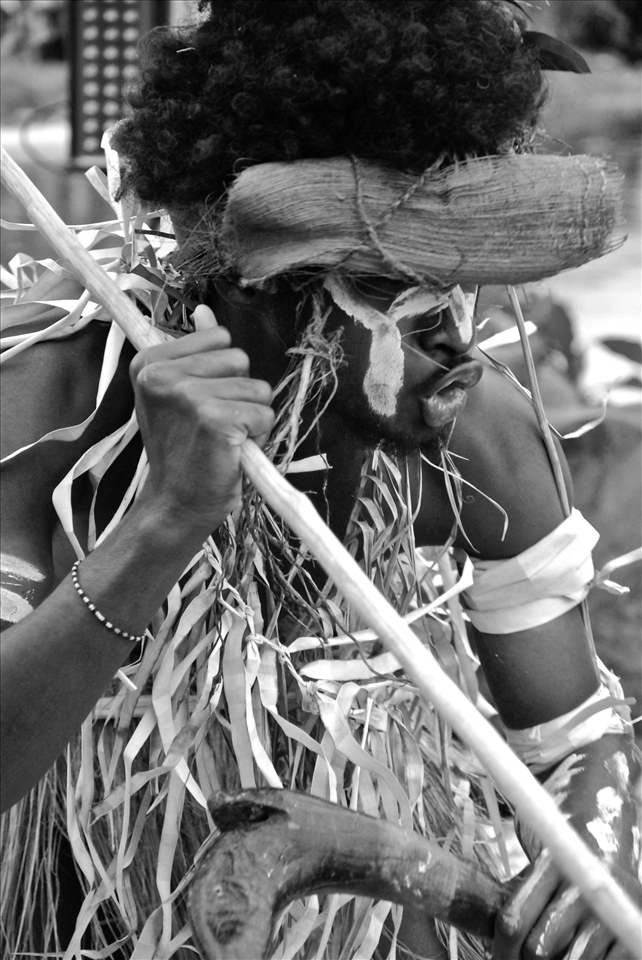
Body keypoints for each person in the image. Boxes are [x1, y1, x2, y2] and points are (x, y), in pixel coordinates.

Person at [1, 2, 639, 958]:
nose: (455, 346)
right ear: (259, 281)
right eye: (400, 295)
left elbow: (579, 732)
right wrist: (163, 522)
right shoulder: (57, 400)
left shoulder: (478, 432)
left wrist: (599, 842)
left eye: (459, 285)